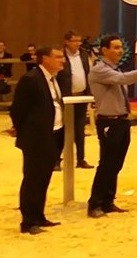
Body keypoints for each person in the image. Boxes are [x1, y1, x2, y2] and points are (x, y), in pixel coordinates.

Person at [87, 35, 137, 218]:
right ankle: (95, 203)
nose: (120, 50)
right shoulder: (100, 70)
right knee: (106, 164)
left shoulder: (113, 69)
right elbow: (124, 79)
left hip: (121, 120)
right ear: (104, 50)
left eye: (120, 47)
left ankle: (108, 201)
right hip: (109, 121)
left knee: (116, 164)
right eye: (115, 47)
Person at [9, 45, 67, 235]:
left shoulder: (54, 79)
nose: (62, 60)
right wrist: (24, 130)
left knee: (44, 177)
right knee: (33, 178)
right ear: (45, 59)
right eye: (58, 57)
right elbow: (18, 109)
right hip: (36, 138)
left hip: (53, 134)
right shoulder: (31, 79)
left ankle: (39, 215)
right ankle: (28, 221)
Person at [57, 31, 95, 170]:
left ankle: (80, 159)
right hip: (66, 97)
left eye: (79, 41)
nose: (77, 44)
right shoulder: (61, 55)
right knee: (63, 129)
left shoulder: (84, 54)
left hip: (81, 96)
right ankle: (57, 160)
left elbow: (89, 72)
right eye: (74, 41)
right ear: (67, 41)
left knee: (80, 129)